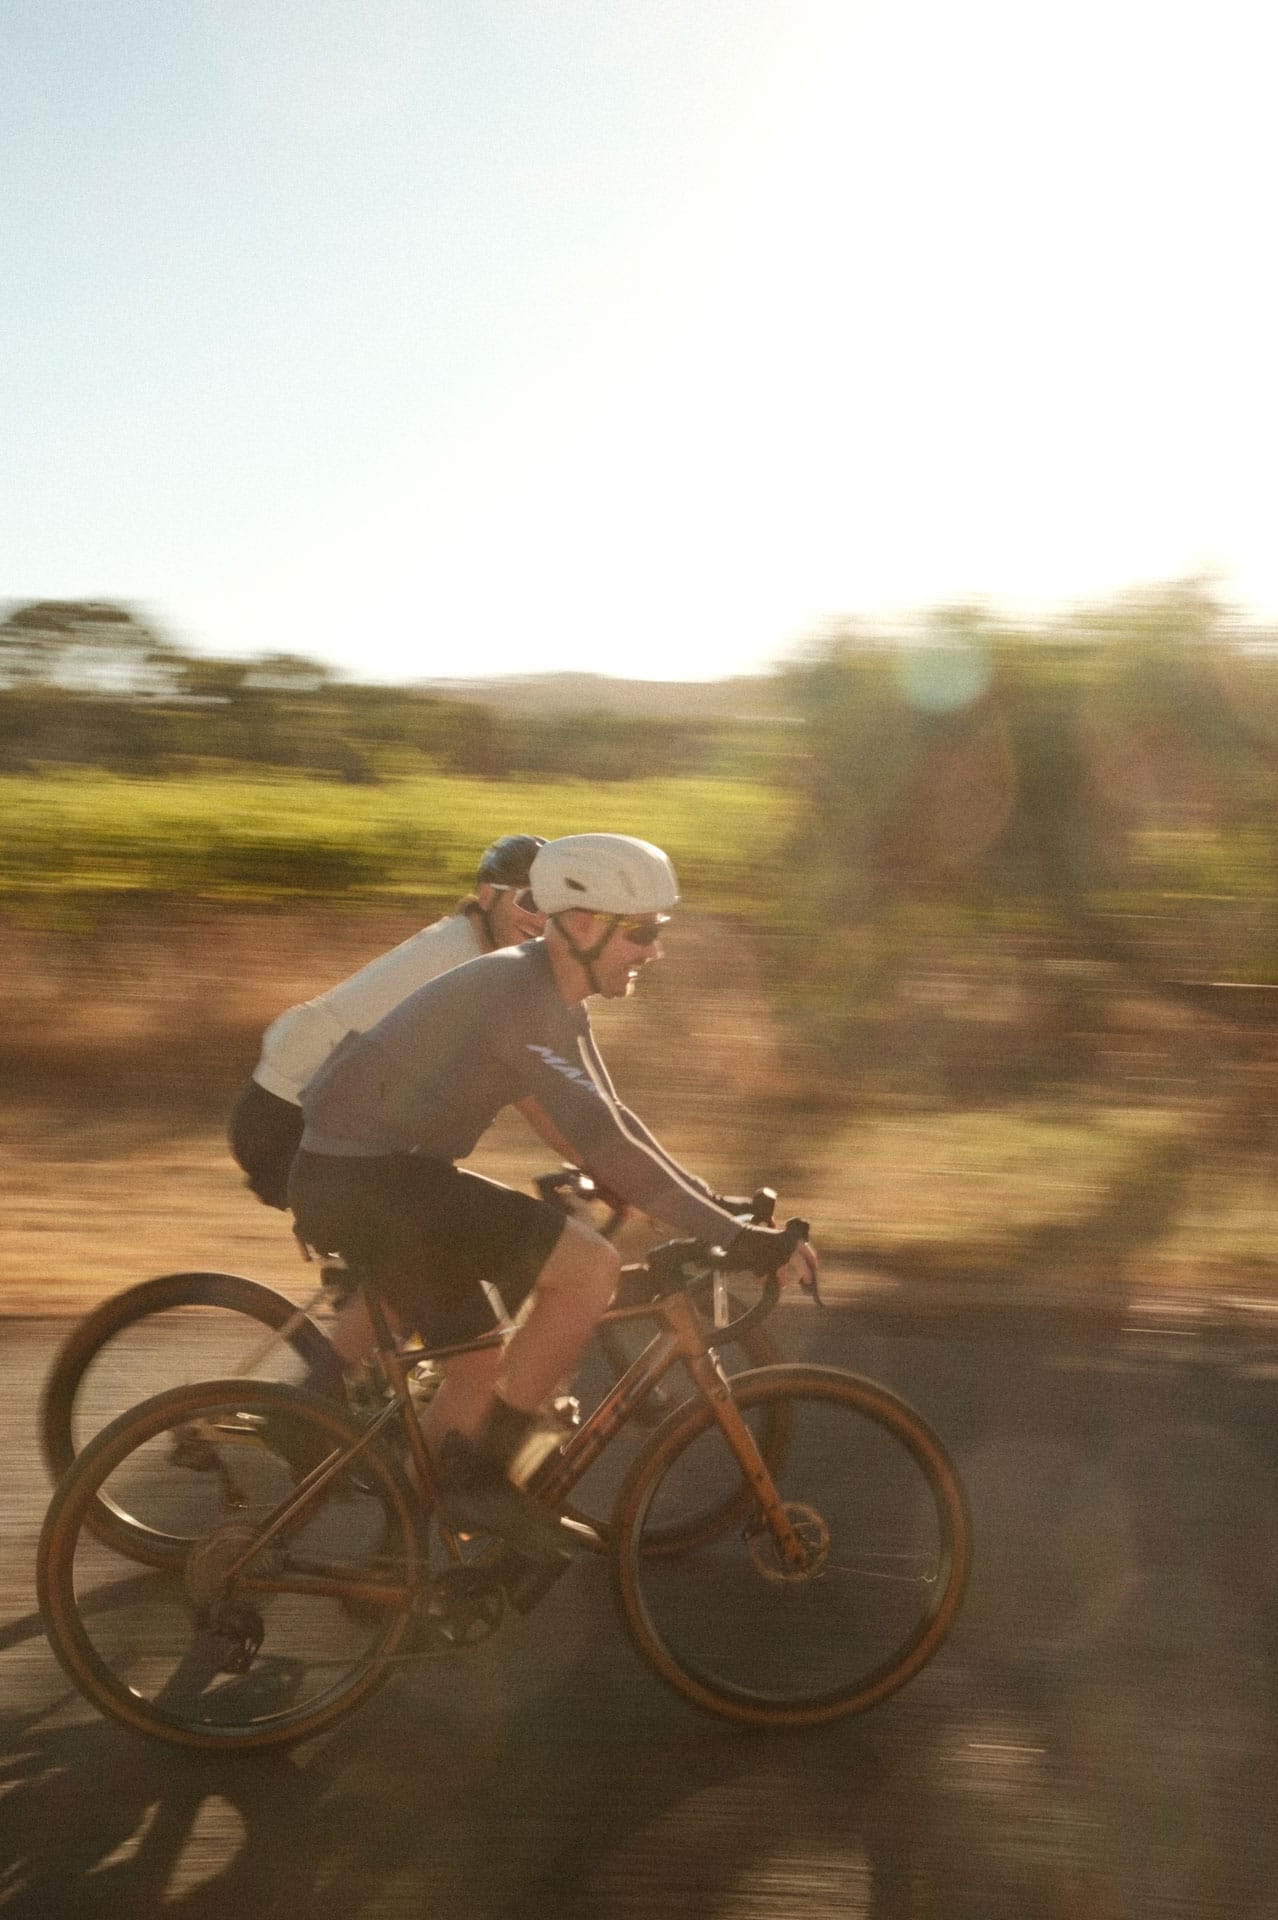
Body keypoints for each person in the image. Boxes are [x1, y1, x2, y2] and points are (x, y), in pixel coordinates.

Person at [289, 832, 815, 1557]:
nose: (655, 950)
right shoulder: (520, 999)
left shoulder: (549, 993)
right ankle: (480, 1482)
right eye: (644, 932)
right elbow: (605, 1148)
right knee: (587, 1267)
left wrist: (716, 1211)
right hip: (368, 1178)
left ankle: (400, 1564)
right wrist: (734, 1236)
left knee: (476, 1363)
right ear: (583, 925)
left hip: (383, 1175)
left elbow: (617, 1127)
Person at [228, 834, 553, 1380]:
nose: (543, 921)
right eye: (529, 902)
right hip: (288, 1127)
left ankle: (368, 1394)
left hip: (328, 1125)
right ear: (486, 894)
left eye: (556, 910)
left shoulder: (480, 951)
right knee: (422, 1258)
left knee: (420, 1256)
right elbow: (522, 1081)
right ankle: (311, 1416)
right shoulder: (458, 961)